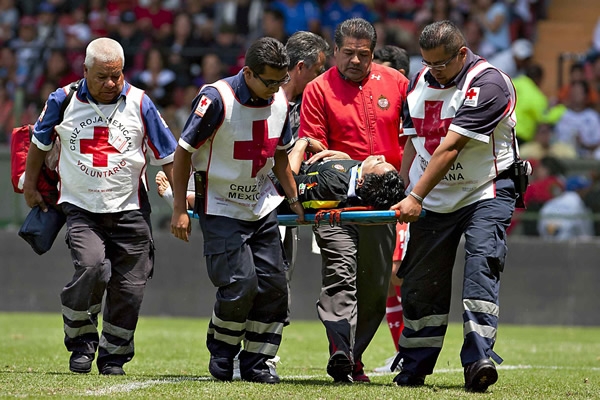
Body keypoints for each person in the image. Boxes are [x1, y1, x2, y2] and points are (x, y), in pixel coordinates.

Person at [23, 37, 177, 376]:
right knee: (92, 268)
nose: (111, 84)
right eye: (102, 77)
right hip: (80, 208)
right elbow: (39, 143)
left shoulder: (140, 102)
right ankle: (81, 342)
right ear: (85, 71)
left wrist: (182, 203)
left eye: (117, 76)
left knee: (130, 287)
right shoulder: (61, 100)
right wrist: (30, 184)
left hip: (131, 210)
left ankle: (113, 357)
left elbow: (168, 157)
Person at [391, 20, 519, 393]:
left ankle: (478, 359)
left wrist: (415, 197)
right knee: (420, 282)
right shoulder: (418, 84)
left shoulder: (489, 83)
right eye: (427, 63)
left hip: (485, 190)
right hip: (434, 196)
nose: (434, 71)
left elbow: (449, 148)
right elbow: (413, 144)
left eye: (442, 64)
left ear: (462, 54)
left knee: (481, 264)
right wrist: (403, 188)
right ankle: (413, 366)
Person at [169, 37, 304, 385]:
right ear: (248, 73)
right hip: (220, 206)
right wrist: (179, 210)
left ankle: (258, 360)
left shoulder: (279, 100)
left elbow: (279, 156)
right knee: (240, 283)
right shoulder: (216, 99)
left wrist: (293, 199)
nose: (276, 88)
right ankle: (223, 348)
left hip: (262, 207)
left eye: (281, 81)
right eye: (269, 81)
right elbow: (183, 152)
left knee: (275, 287)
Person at [299, 17, 409, 383]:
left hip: (383, 207)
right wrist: (361, 168)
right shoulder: (318, 89)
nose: (356, 61)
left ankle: (353, 357)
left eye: (364, 54)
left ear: (373, 53)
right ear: (335, 51)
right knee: (339, 277)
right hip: (337, 206)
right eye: (348, 53)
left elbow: (411, 140)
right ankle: (340, 351)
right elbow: (314, 150)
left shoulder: (397, 84)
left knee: (376, 289)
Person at [372, 44, 411, 374]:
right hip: (381, 195)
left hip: (407, 195)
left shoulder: (408, 105)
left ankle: (413, 346)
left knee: (398, 273)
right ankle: (402, 350)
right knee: (387, 278)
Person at [538, 175, 594, 240]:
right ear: (578, 190)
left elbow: (541, 228)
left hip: (547, 243)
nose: (587, 191)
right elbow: (585, 234)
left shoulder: (550, 203)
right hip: (568, 244)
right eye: (584, 189)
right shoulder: (576, 201)